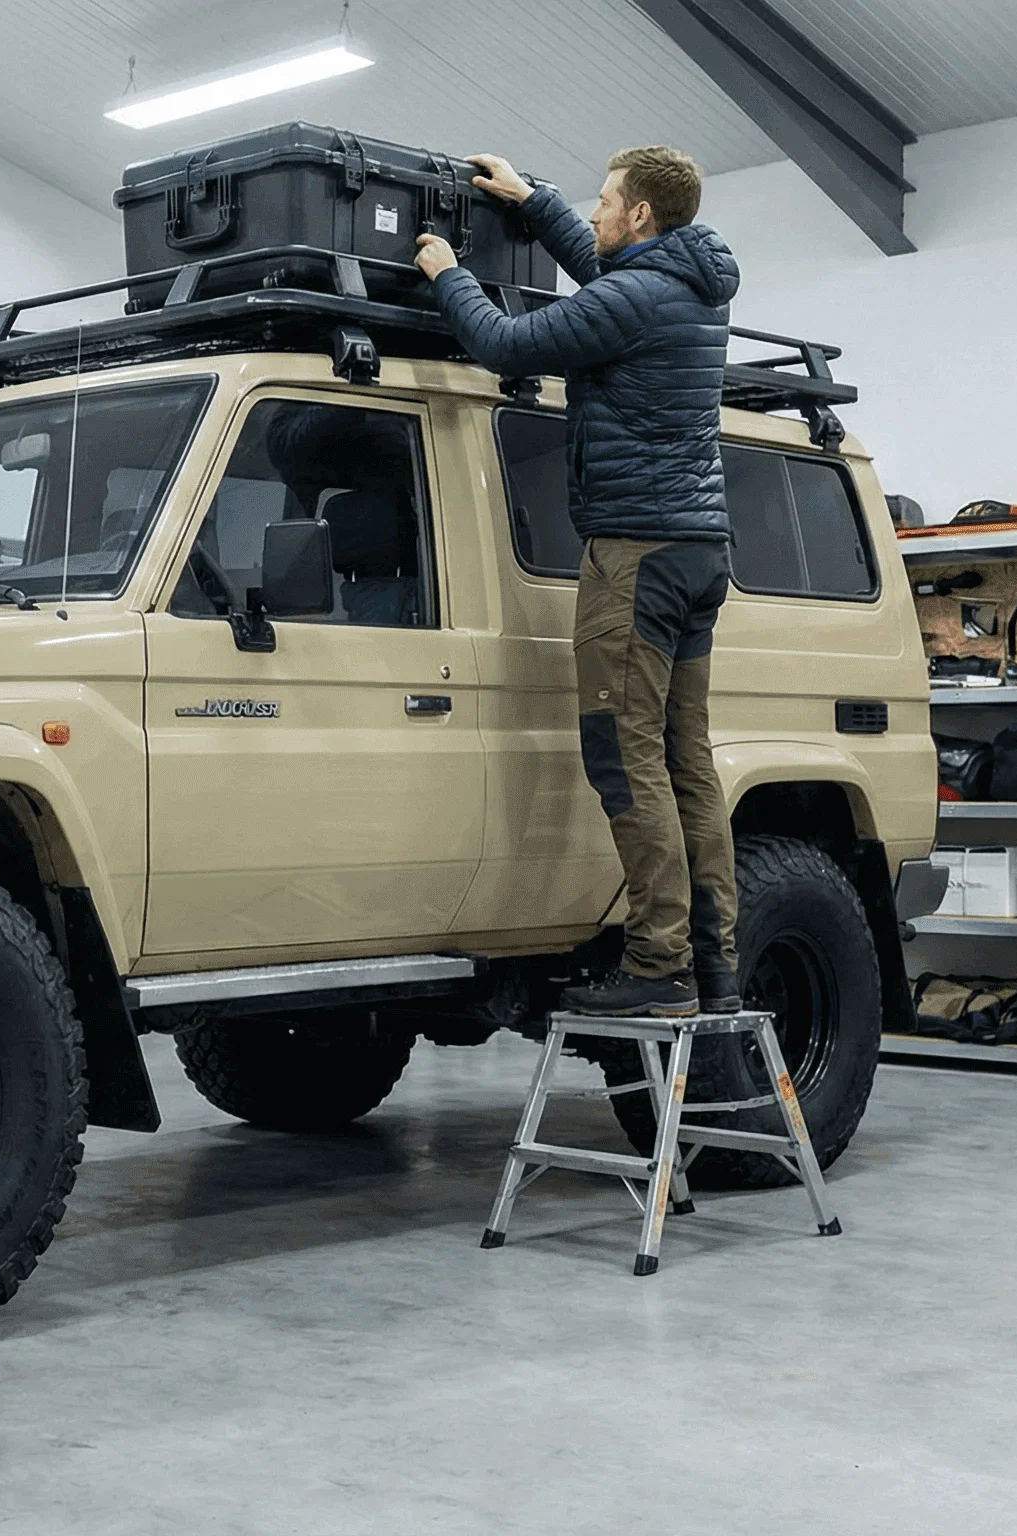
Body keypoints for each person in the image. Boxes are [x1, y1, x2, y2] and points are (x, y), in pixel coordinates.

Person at [413, 145, 742, 1019]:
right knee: (683, 758)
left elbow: (501, 344)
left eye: (605, 202)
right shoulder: (682, 284)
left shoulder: (633, 298)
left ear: (639, 214)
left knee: (621, 752)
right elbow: (602, 269)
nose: (595, 215)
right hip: (696, 549)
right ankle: (712, 962)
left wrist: (447, 273)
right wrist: (533, 202)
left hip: (634, 550)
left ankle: (656, 964)